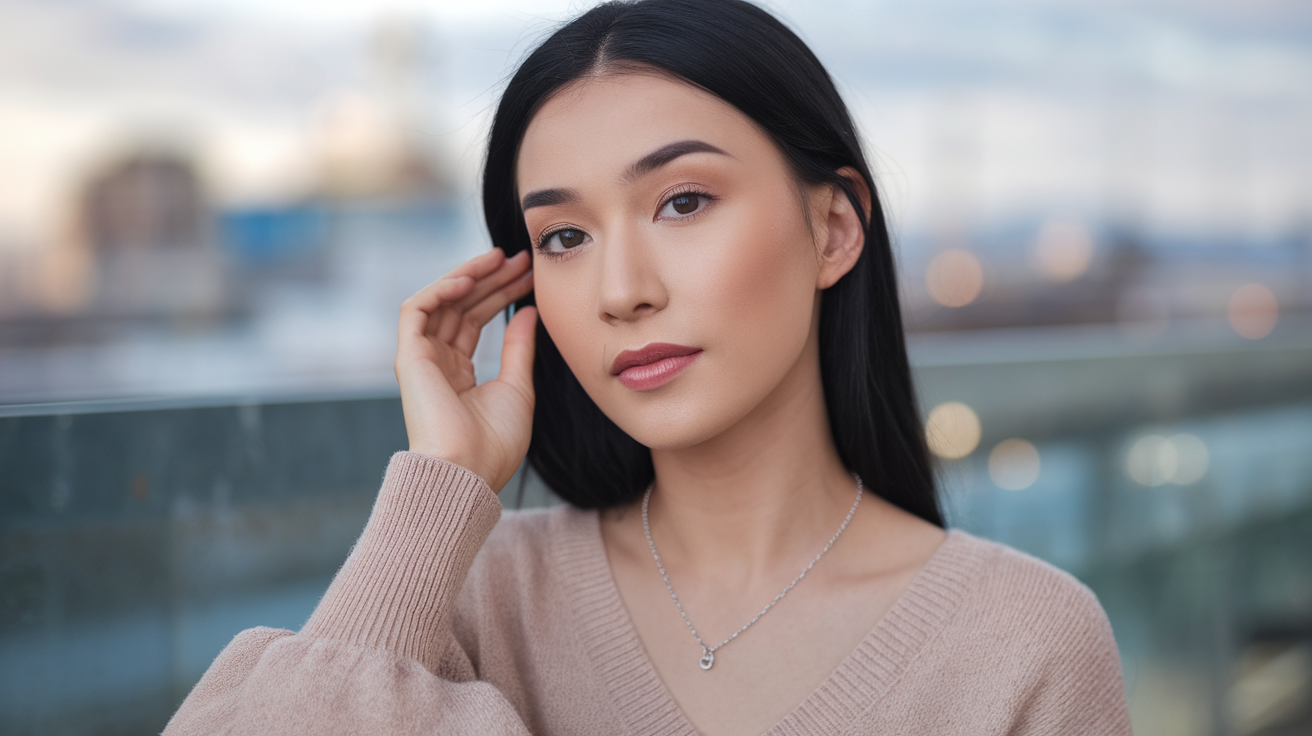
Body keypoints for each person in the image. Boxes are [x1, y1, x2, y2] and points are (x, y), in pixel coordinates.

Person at [165, 0, 1132, 733]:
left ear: (833, 227)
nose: (621, 290)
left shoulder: (1024, 641)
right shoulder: (472, 596)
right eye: (567, 235)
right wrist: (440, 486)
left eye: (682, 202)